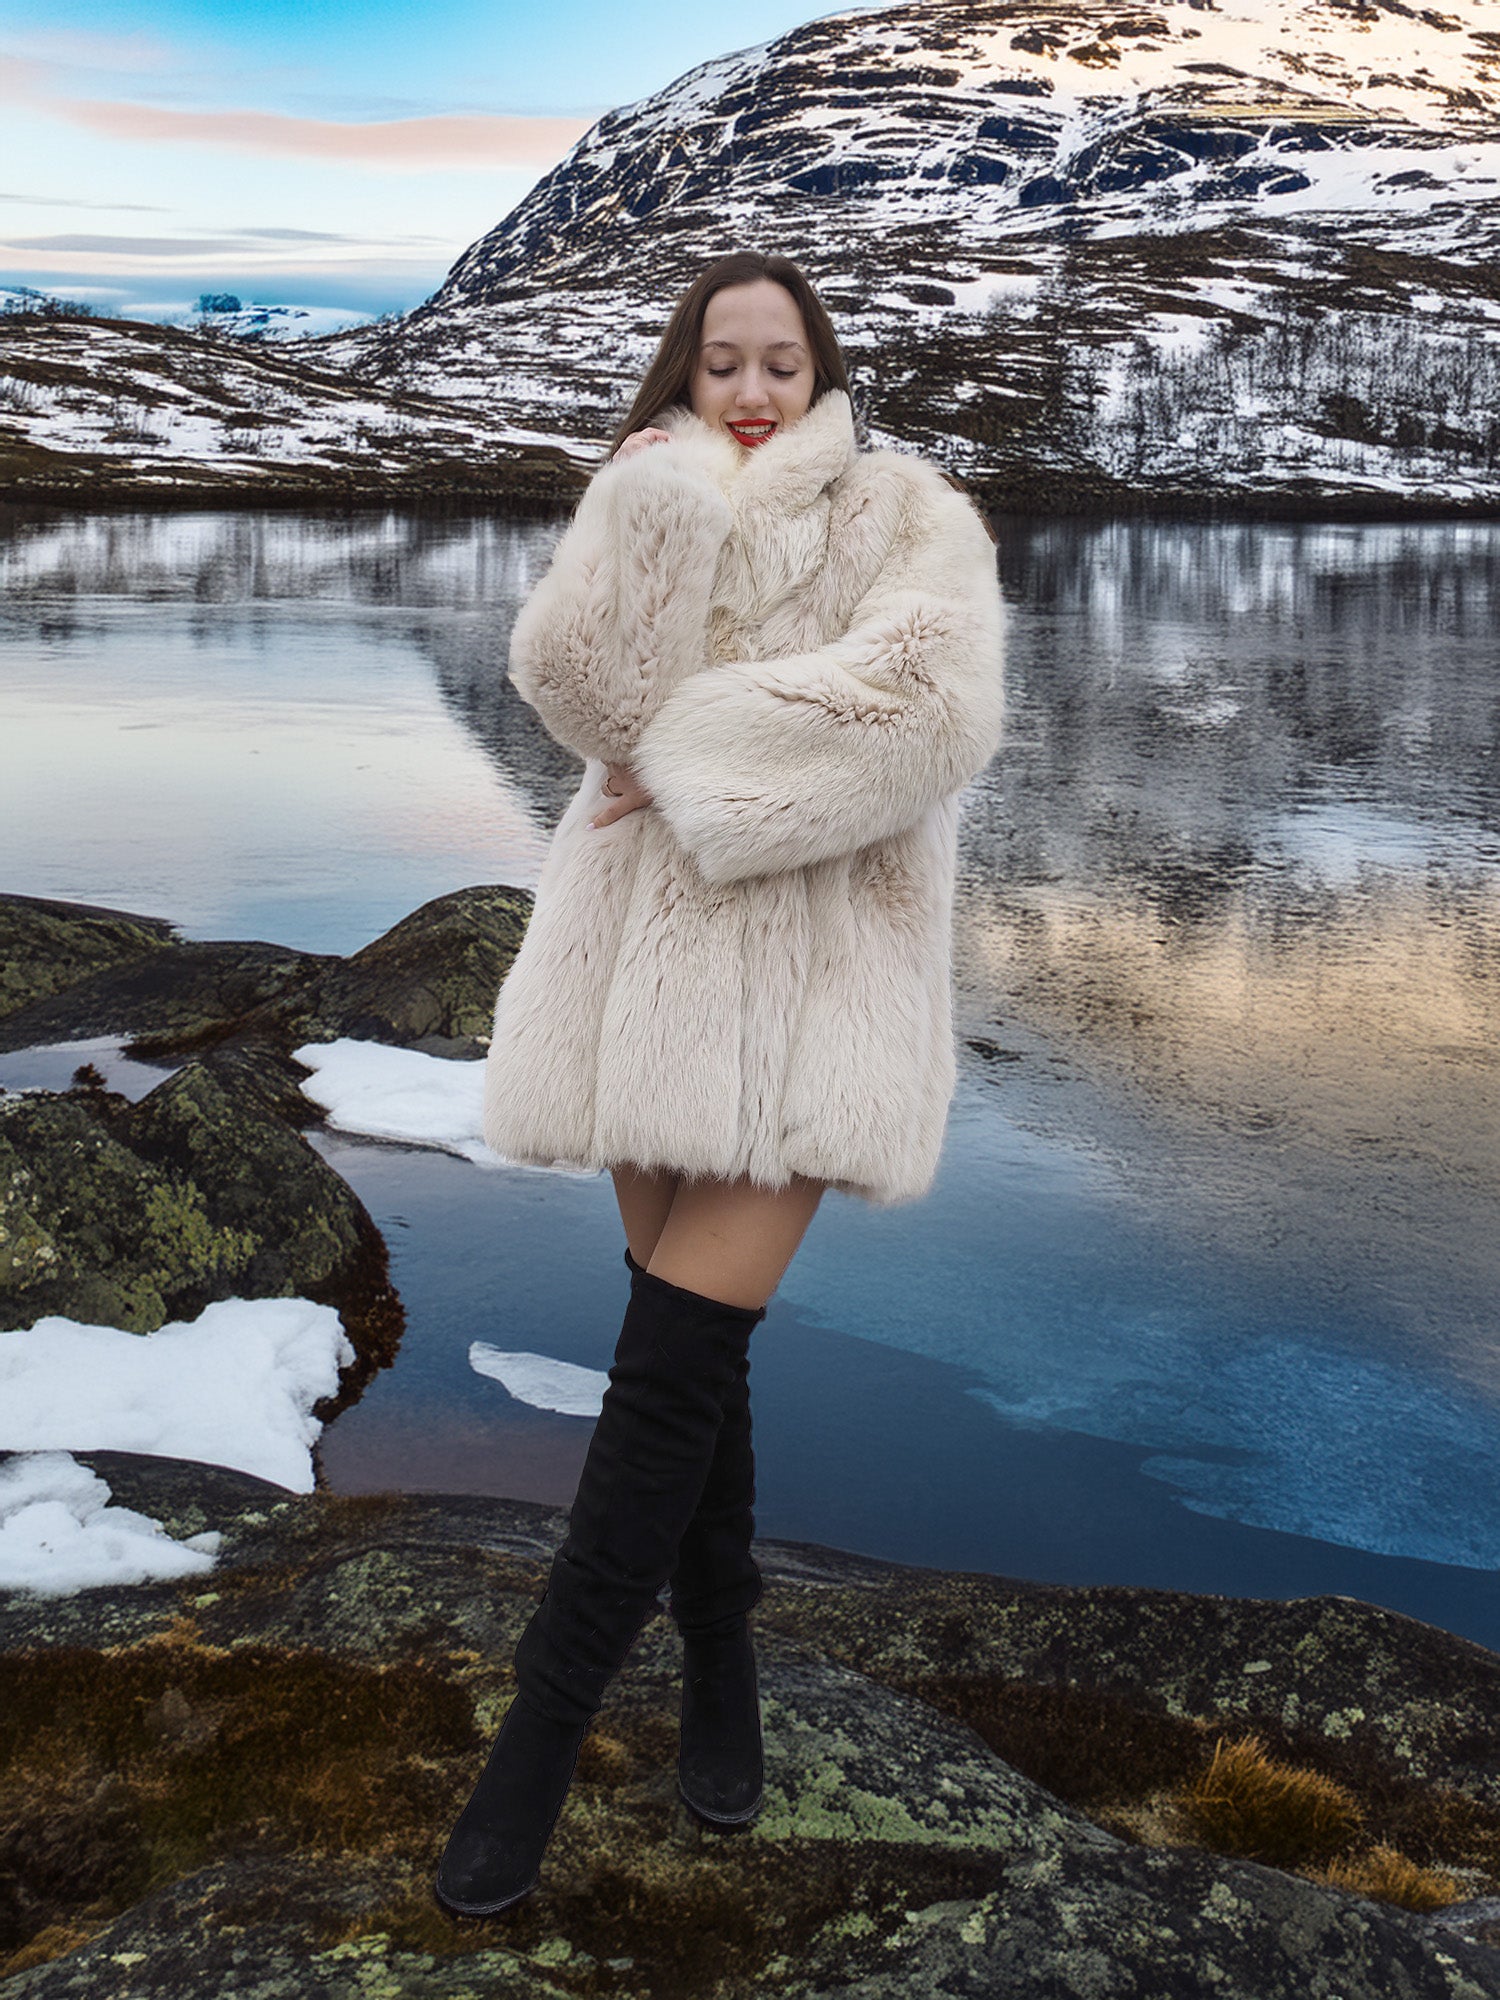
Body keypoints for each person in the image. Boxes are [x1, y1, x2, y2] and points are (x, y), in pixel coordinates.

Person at [434, 249, 1006, 1917]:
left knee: (671, 1369)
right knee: (693, 1359)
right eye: (718, 366)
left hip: (825, 989)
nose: (749, 393)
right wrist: (648, 526)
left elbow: (925, 714)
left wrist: (683, 752)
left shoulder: (911, 514)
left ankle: (534, 1747)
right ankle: (725, 1658)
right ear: (681, 378)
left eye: (779, 363)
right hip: (639, 979)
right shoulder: (649, 492)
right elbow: (566, 694)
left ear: (822, 372)